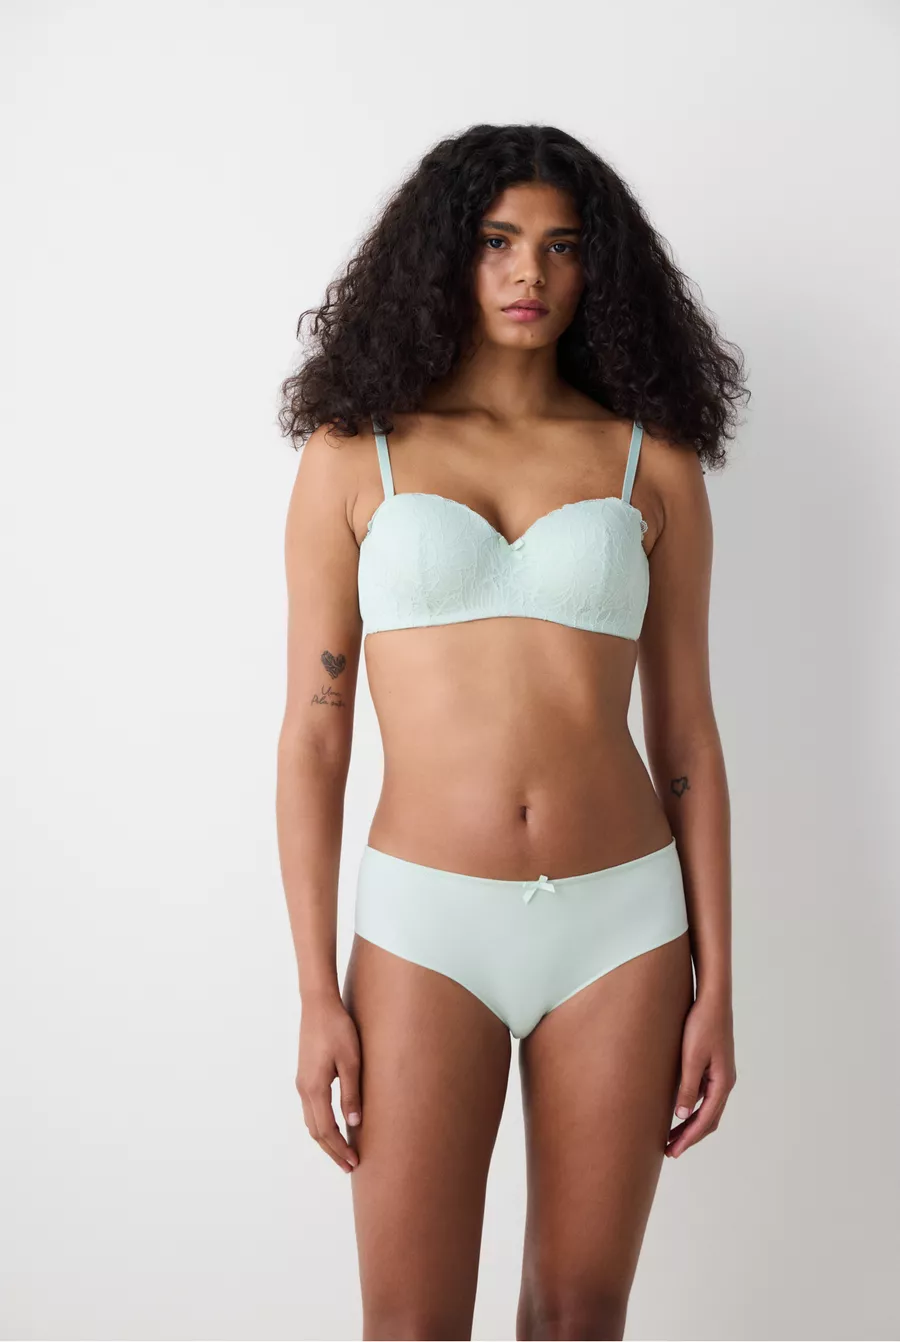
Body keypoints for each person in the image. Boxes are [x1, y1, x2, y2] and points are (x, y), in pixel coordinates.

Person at [275, 123, 746, 1342]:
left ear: (600, 269)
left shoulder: (649, 460)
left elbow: (687, 738)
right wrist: (316, 991)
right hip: (426, 925)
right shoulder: (356, 452)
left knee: (580, 1316)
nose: (529, 271)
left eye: (561, 246)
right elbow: (316, 735)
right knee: (412, 1324)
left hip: (623, 925)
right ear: (447, 256)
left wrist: (719, 986)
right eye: (497, 241)